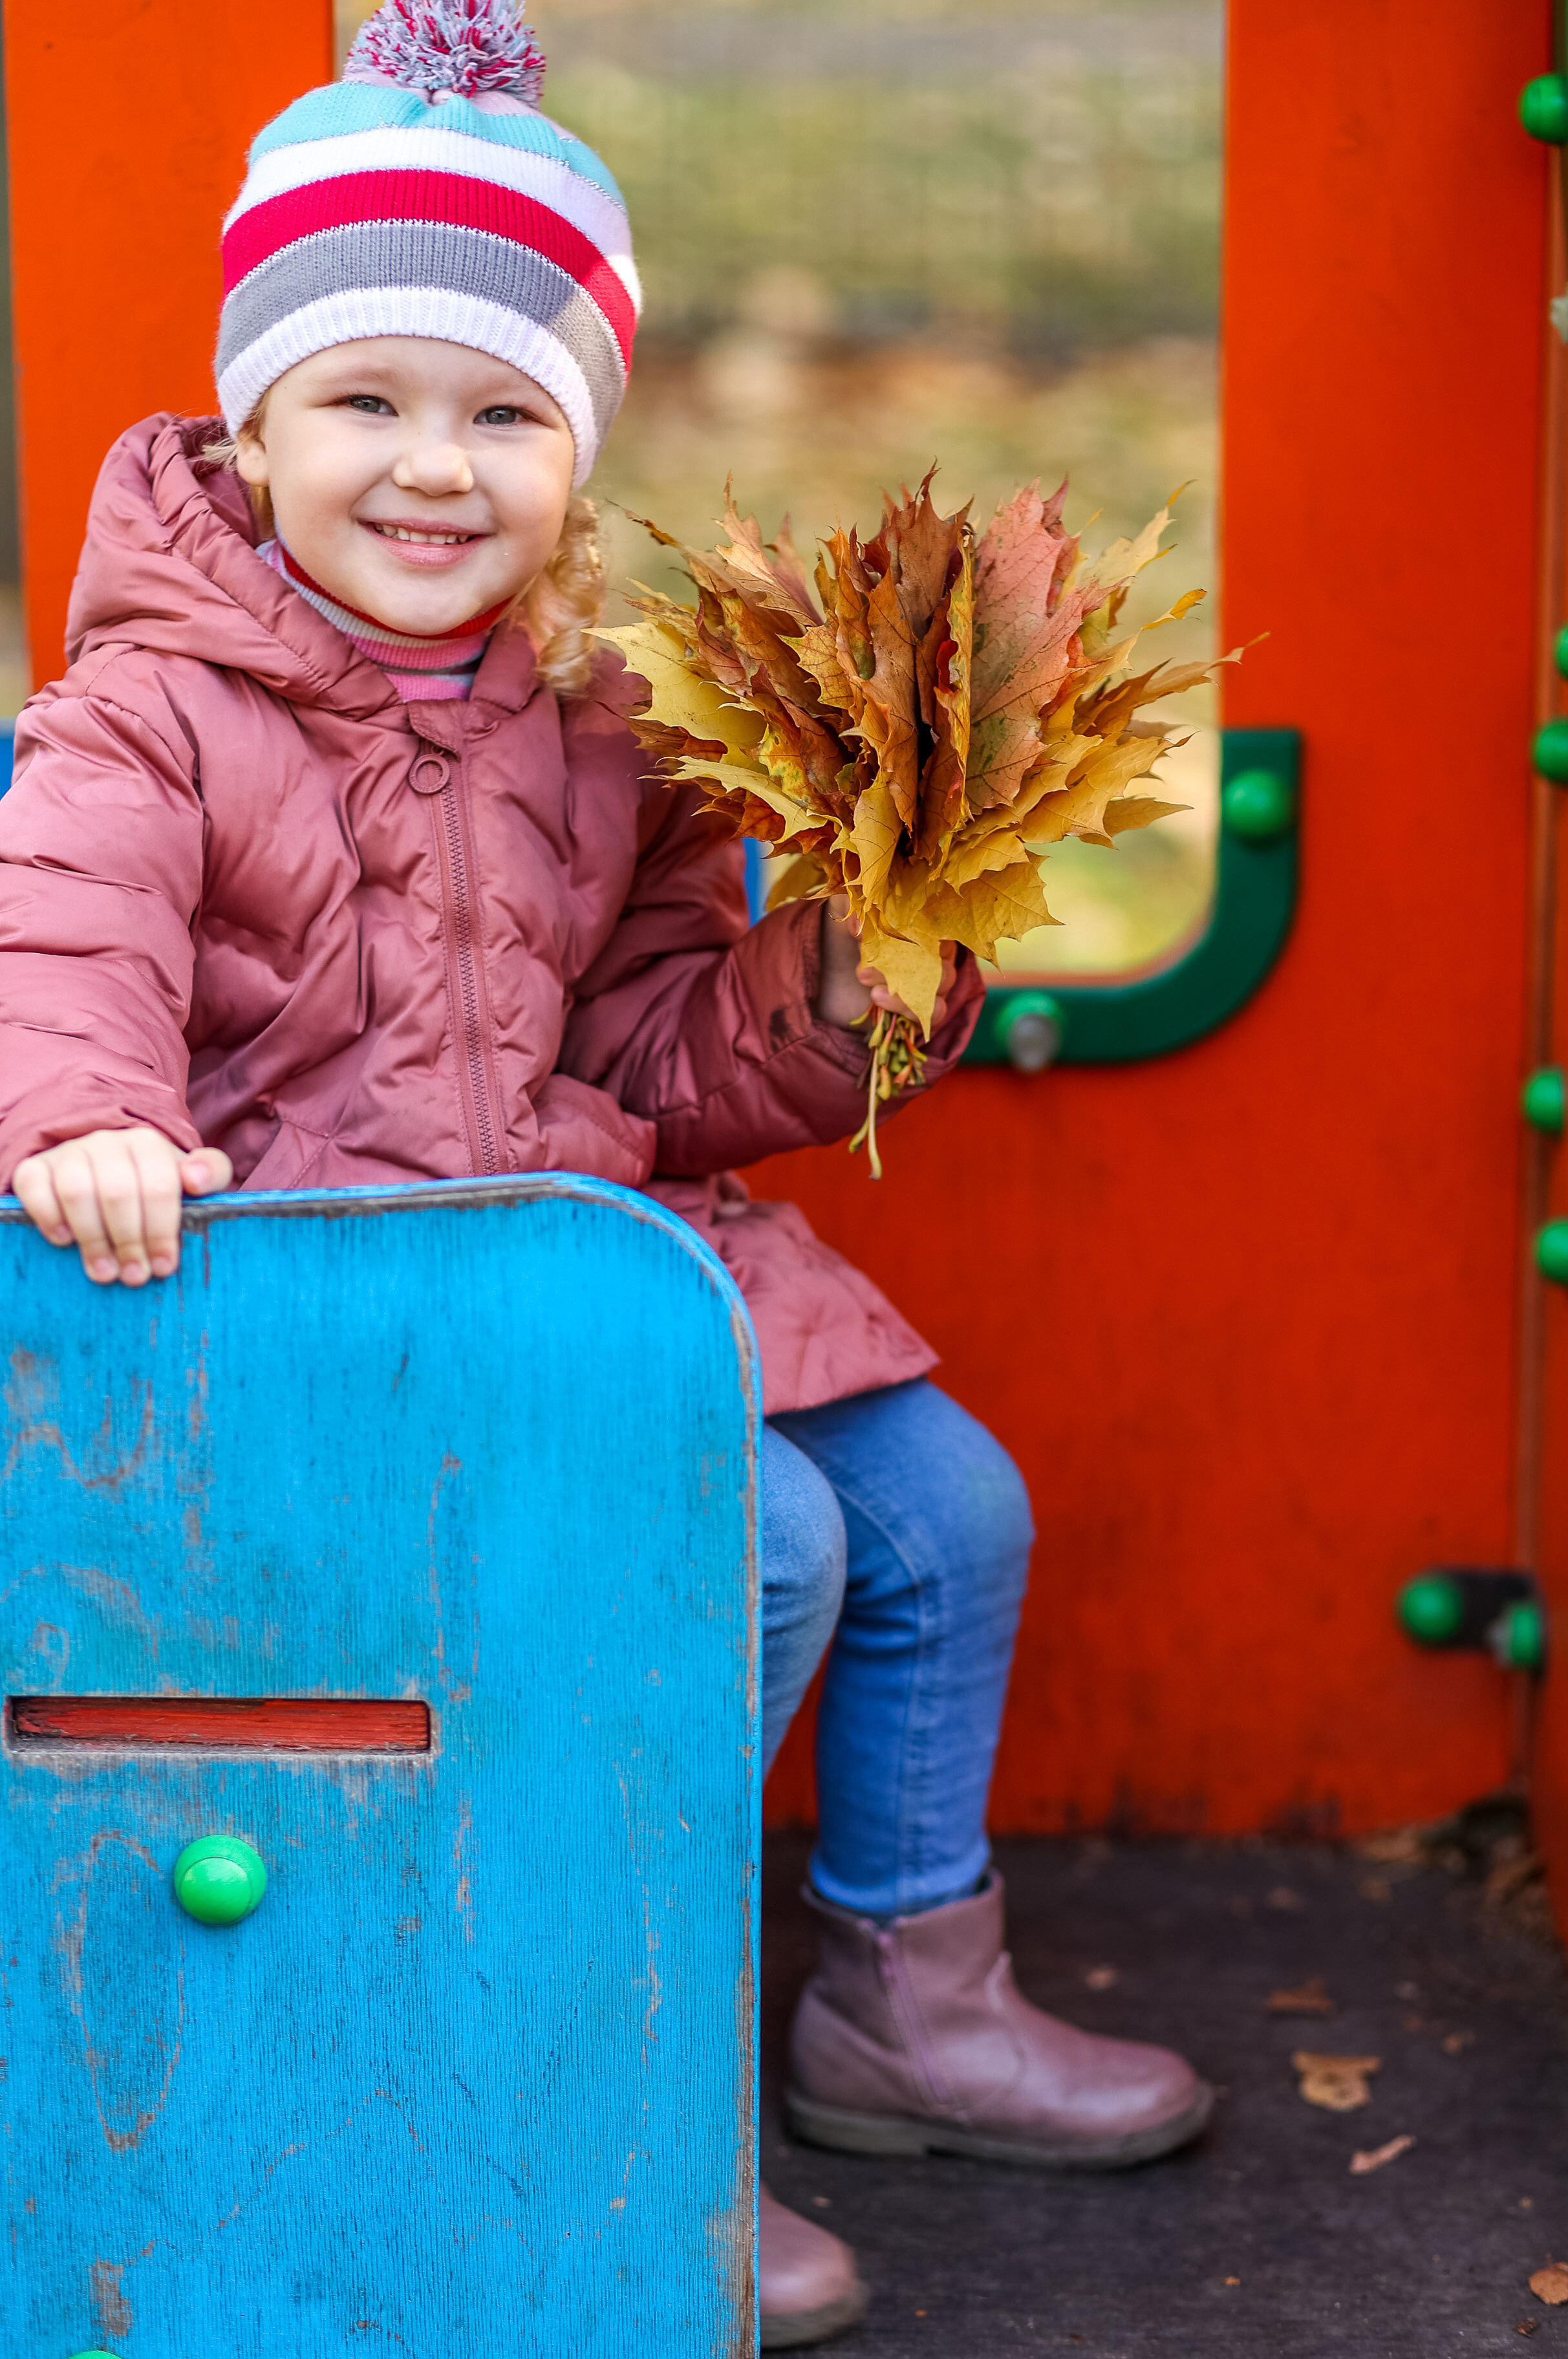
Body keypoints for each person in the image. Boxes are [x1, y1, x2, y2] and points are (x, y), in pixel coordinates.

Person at [0, 2, 1210, 2343]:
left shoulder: (599, 723)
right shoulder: (150, 703)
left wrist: (849, 987)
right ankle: (588, 2064)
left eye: (506, 415)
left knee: (939, 1504)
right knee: (757, 1545)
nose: (433, 471)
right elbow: (67, 927)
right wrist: (86, 1122)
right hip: (302, 1298)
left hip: (572, 1265)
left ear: (582, 448)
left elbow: (657, 1043)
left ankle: (898, 1996)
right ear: (252, 427)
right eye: (365, 402)